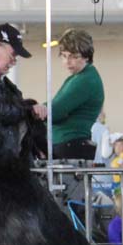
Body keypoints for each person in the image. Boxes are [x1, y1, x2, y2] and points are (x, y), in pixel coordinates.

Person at [32, 28, 104, 159]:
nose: (67, 62)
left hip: (70, 145)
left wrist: (37, 109)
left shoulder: (85, 80)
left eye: (74, 57)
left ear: (87, 56)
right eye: (64, 56)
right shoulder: (81, 77)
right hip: (70, 144)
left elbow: (56, 110)